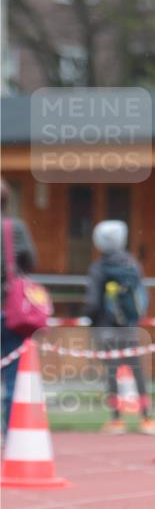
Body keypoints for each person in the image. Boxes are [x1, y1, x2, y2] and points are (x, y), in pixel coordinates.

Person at [84, 220, 155, 435]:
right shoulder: (132, 264)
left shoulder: (98, 268)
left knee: (112, 371)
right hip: (129, 326)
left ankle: (116, 419)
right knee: (137, 370)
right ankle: (146, 418)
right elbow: (141, 295)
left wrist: (91, 319)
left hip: (106, 327)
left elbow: (92, 303)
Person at [1, 179, 38, 438]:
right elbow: (31, 261)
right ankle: (11, 430)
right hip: (9, 309)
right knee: (14, 372)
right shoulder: (15, 229)